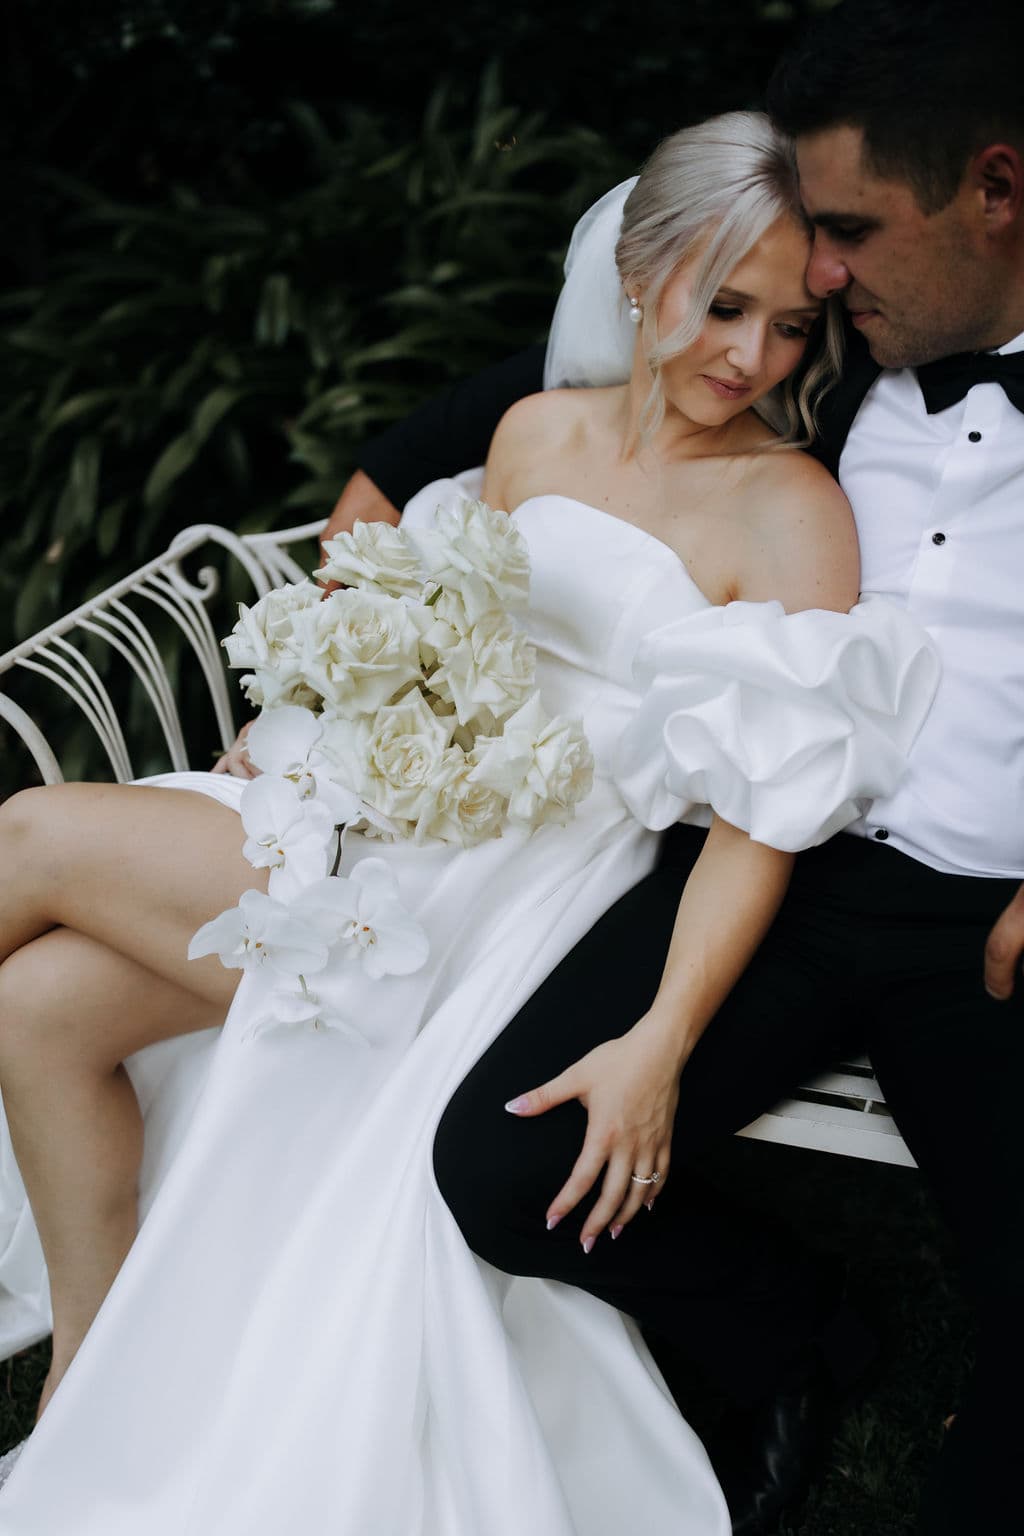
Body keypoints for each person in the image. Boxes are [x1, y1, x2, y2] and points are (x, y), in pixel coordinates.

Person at [0, 112, 936, 1533]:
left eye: (792, 329)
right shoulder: (533, 433)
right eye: (722, 304)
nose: (751, 358)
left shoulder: (786, 508)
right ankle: (94, 1365)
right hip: (383, 814)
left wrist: (660, 1037)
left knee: (30, 838)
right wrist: (314, 711)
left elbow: (766, 811)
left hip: (522, 890)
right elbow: (437, 632)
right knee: (42, 1006)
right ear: (639, 270)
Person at [329, 4, 1022, 1533]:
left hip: (982, 916)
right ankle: (793, 1328)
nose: (815, 289)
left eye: (846, 237)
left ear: (996, 193)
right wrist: (360, 589)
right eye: (796, 268)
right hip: (771, 858)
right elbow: (538, 403)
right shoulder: (824, 366)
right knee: (509, 1170)